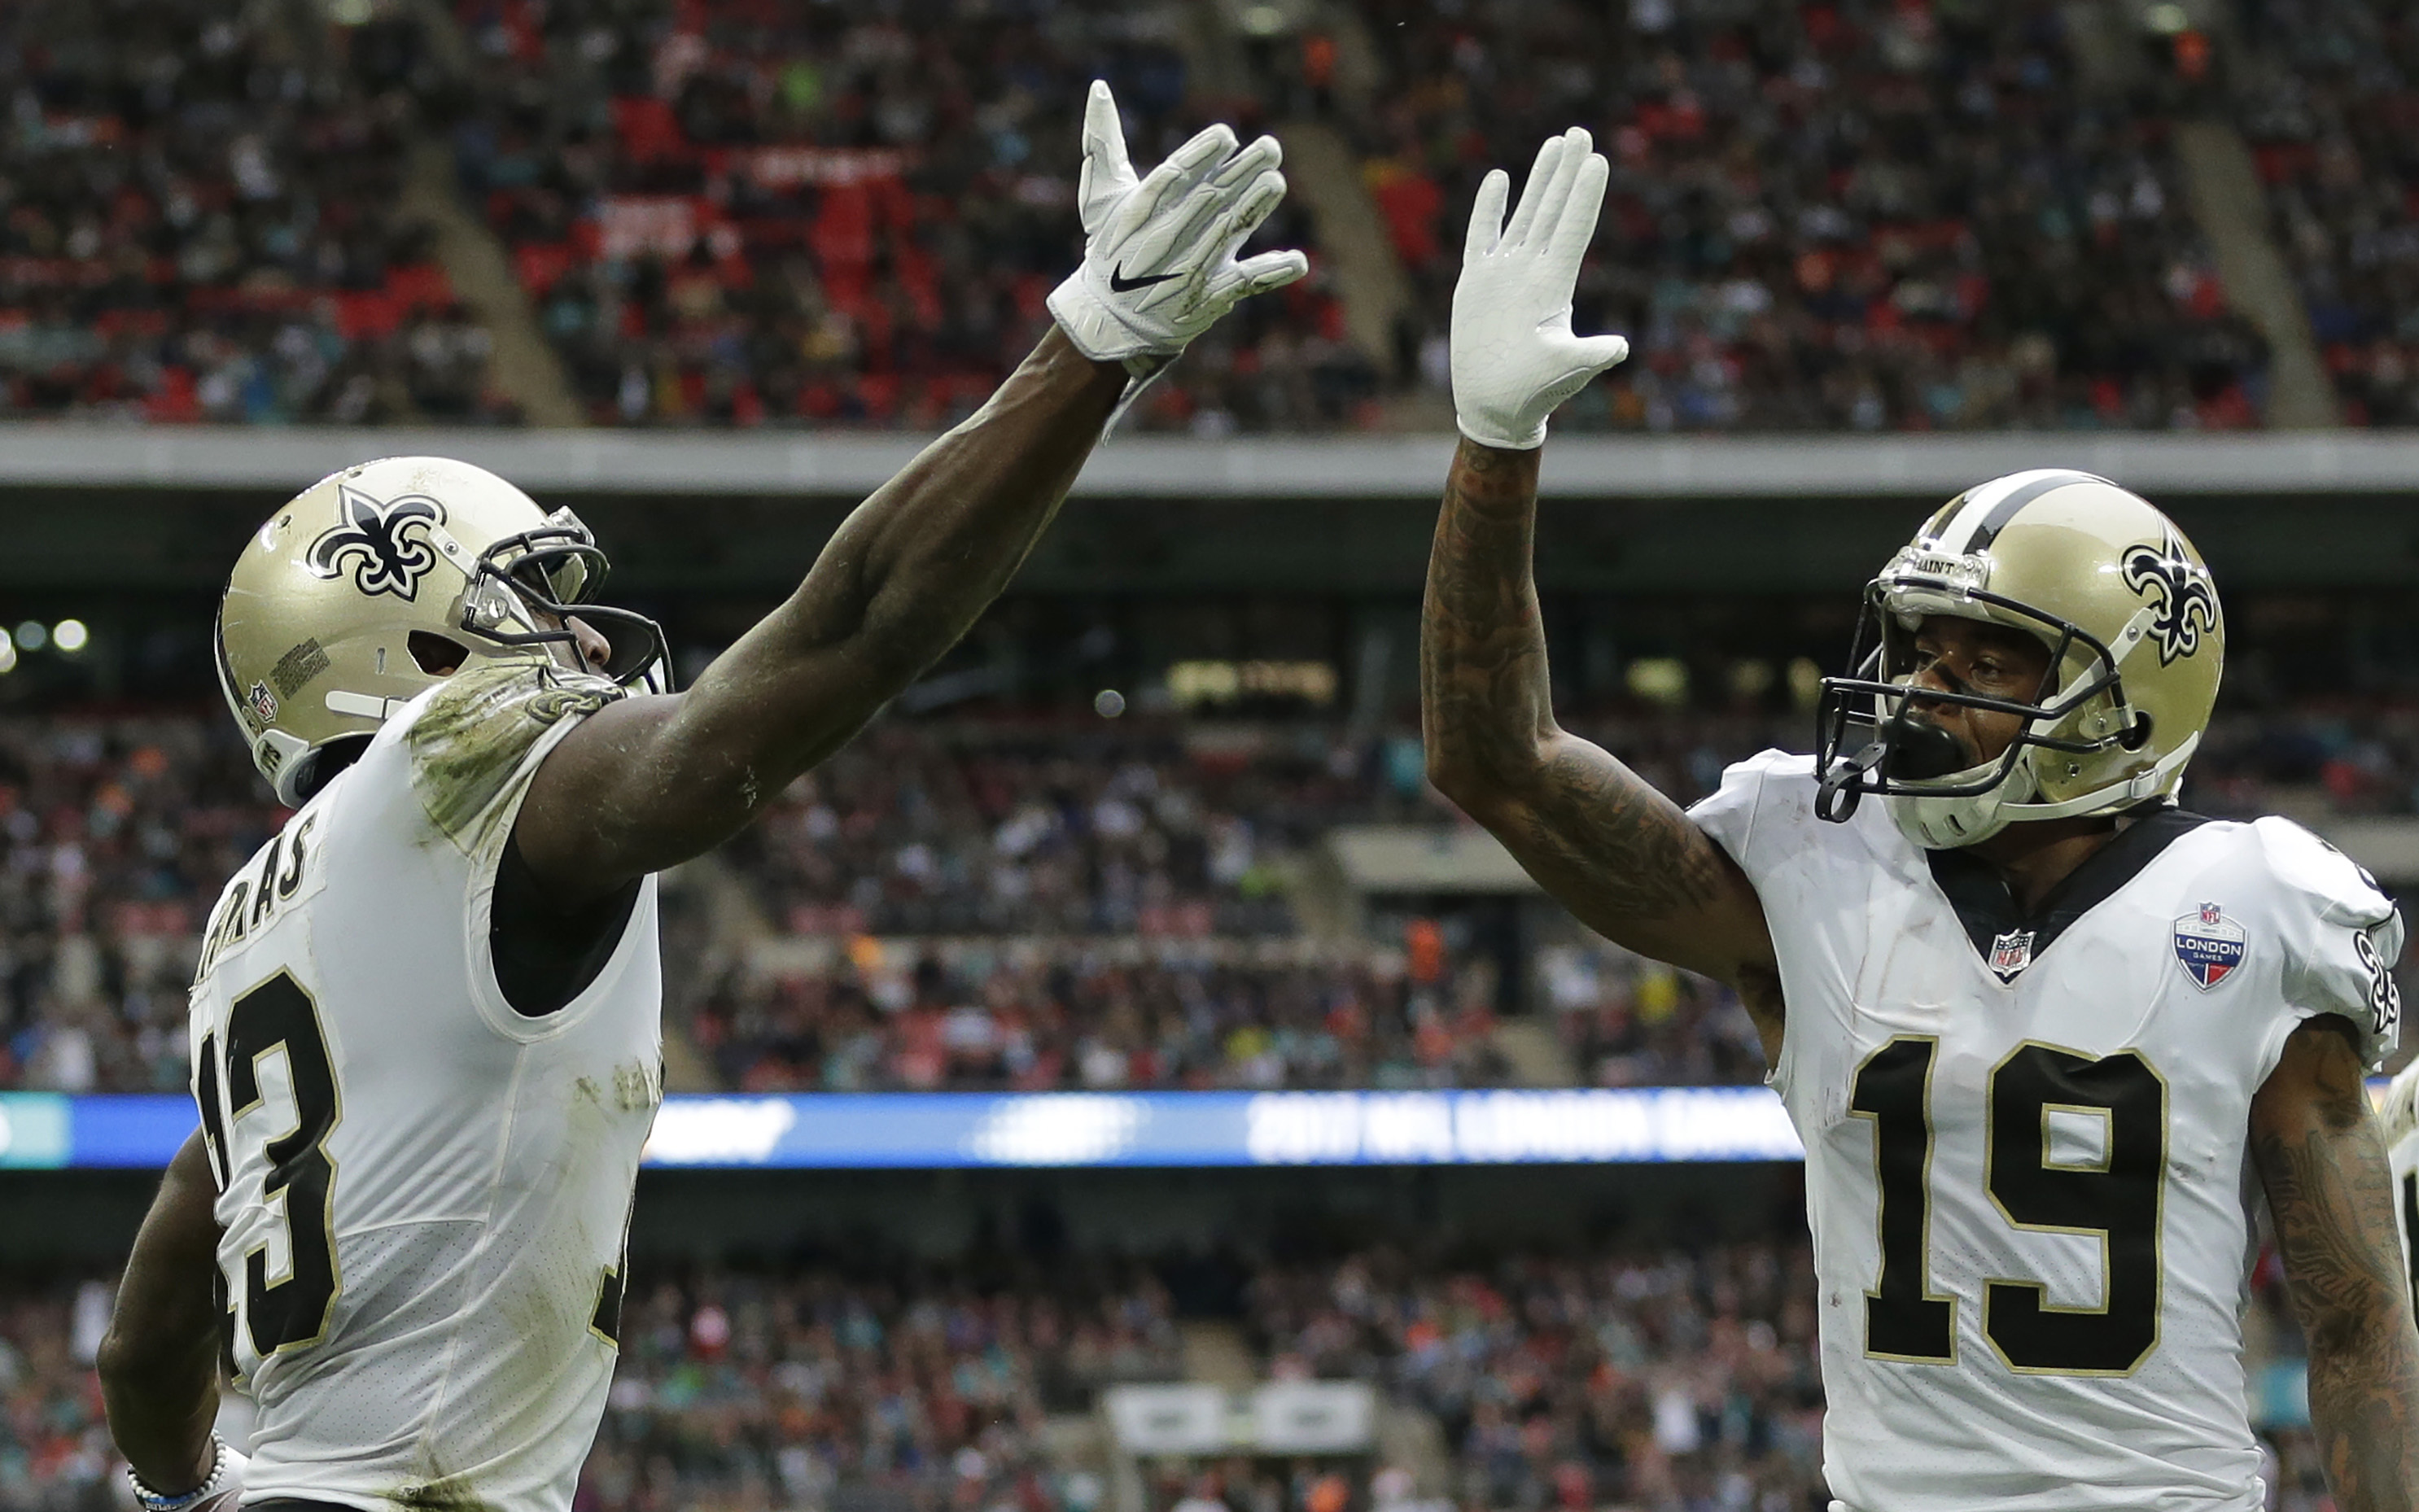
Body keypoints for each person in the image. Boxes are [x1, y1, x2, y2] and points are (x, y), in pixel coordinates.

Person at [94, 82, 1308, 1512]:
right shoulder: (460, 782)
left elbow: (143, 1338)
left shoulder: (253, 925)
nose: (588, 641)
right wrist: (1086, 354)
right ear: (414, 655)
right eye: (525, 605)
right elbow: (848, 633)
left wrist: (196, 1485)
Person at [1420, 127, 2417, 1511]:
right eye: (1916, 646)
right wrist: (1494, 445)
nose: (1919, 690)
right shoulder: (1807, 860)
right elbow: (1498, 760)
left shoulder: (2256, 907)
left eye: (1983, 660)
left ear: (2127, 702)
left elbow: (2357, 1318)